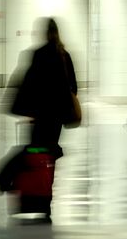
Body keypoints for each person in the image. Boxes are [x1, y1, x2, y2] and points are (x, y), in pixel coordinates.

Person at [10, 17, 78, 151]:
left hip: (40, 115)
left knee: (36, 150)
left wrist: (27, 110)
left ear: (45, 33)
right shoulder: (64, 56)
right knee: (51, 149)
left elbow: (28, 86)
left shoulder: (39, 54)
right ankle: (50, 170)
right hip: (58, 116)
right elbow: (74, 87)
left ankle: (40, 170)